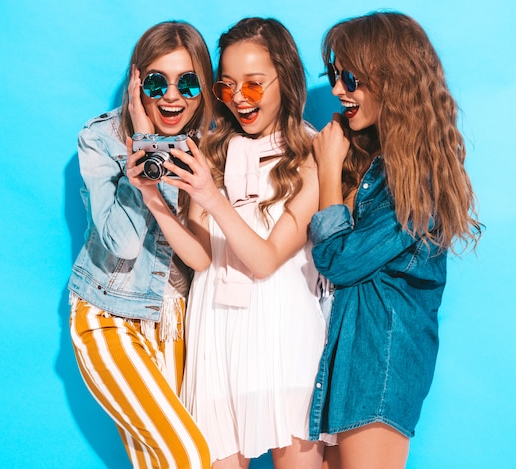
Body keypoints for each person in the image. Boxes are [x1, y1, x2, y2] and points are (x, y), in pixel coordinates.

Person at [126, 16, 327, 469]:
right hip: (214, 333)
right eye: (227, 86)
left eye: (253, 85)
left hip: (284, 337)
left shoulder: (312, 156)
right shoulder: (211, 151)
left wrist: (209, 196)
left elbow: (265, 259)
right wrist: (153, 197)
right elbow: (200, 257)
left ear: (286, 80)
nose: (239, 98)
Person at [307, 11, 483, 469]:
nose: (340, 90)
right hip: (351, 362)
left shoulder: (416, 180)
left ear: (394, 79)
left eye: (352, 78)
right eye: (335, 76)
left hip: (379, 365)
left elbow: (338, 260)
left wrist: (327, 169)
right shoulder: (379, 166)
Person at [67, 20, 214, 469]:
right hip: (107, 316)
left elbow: (201, 257)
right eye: (157, 81)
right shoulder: (101, 139)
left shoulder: (205, 145)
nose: (172, 96)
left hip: (172, 321)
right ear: (137, 82)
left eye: (187, 83)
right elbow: (124, 245)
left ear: (203, 88)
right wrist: (145, 145)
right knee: (188, 455)